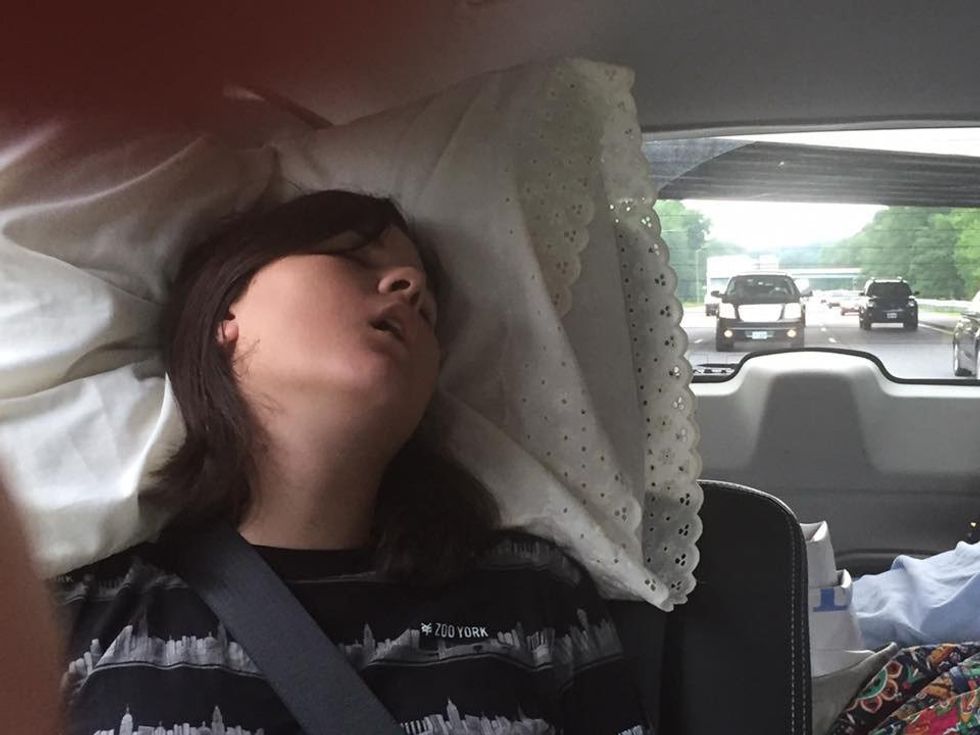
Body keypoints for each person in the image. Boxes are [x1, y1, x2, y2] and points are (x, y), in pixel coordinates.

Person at [54, 190, 652, 734]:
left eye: (428, 312)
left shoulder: (532, 591)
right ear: (224, 319)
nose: (409, 286)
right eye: (350, 258)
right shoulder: (85, 610)